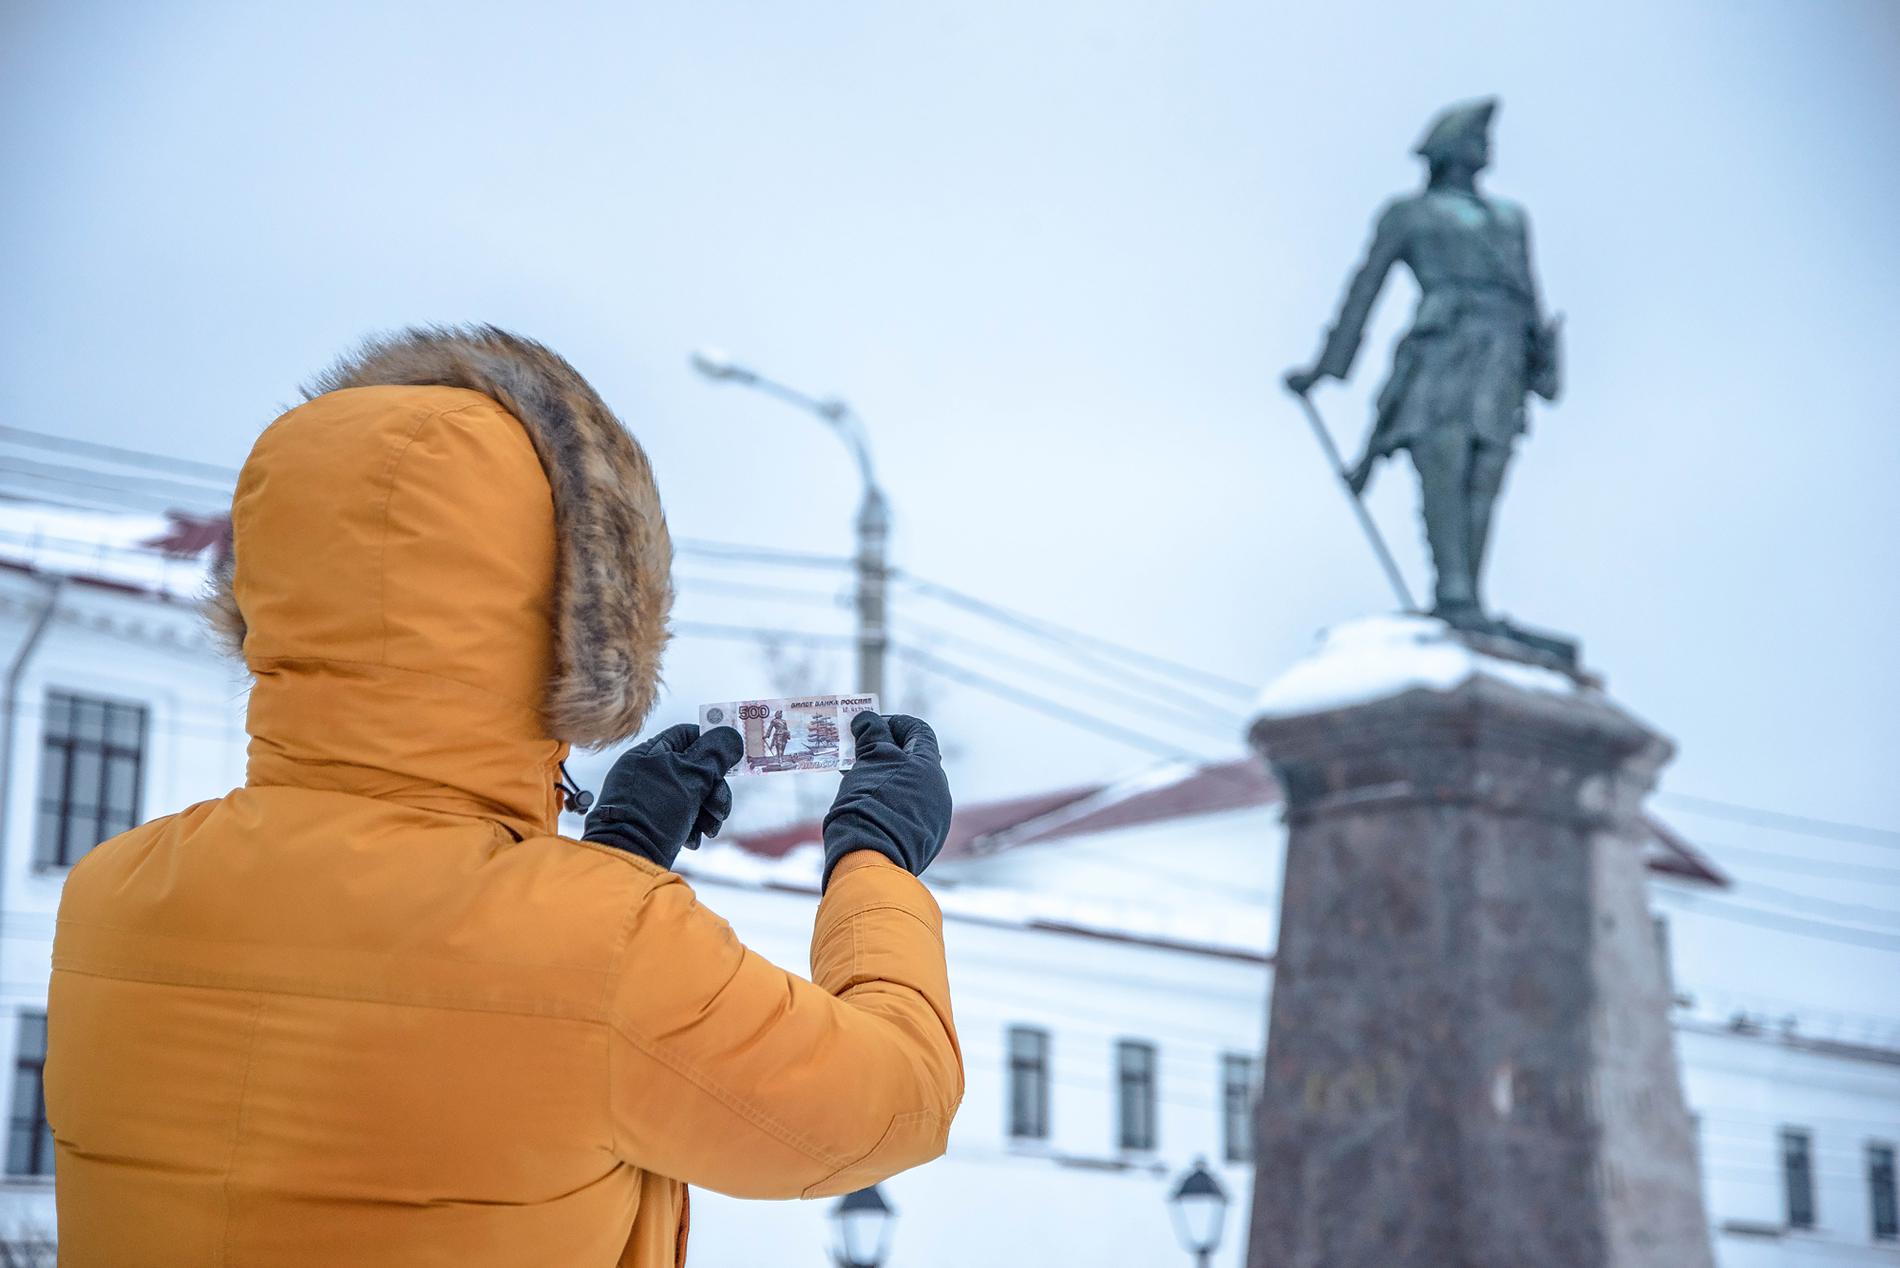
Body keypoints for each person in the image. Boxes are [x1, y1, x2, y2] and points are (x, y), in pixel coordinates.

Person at [46, 326, 962, 1267]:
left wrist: (613, 859)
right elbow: (894, 1101)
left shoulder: (108, 899)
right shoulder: (609, 955)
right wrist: (874, 857)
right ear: (577, 622)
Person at [1286, 97, 1561, 628]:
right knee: (1444, 458)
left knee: (1487, 469)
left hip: (1502, 352)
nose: (1486, 148)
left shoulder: (1510, 219)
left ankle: (1471, 597)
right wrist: (1325, 367)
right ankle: (1453, 590)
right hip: (1444, 348)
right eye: (1476, 139)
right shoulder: (1409, 214)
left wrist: (1541, 361)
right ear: (1449, 149)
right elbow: (1363, 291)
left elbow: (1531, 295)